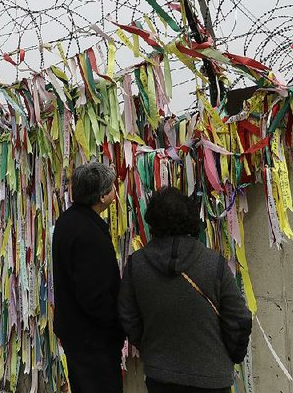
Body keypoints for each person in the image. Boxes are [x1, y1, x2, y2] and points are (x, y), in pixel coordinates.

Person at [117, 187, 253, 393]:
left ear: (152, 221)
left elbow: (128, 316)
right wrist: (232, 355)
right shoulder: (214, 264)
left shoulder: (136, 264)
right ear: (190, 218)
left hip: (160, 375)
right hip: (211, 376)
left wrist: (149, 348)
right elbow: (239, 318)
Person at [53, 161, 124, 393]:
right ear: (103, 196)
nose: (116, 191)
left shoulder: (67, 221)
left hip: (76, 332)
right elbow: (94, 293)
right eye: (113, 187)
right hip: (92, 339)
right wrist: (115, 326)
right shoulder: (89, 233)